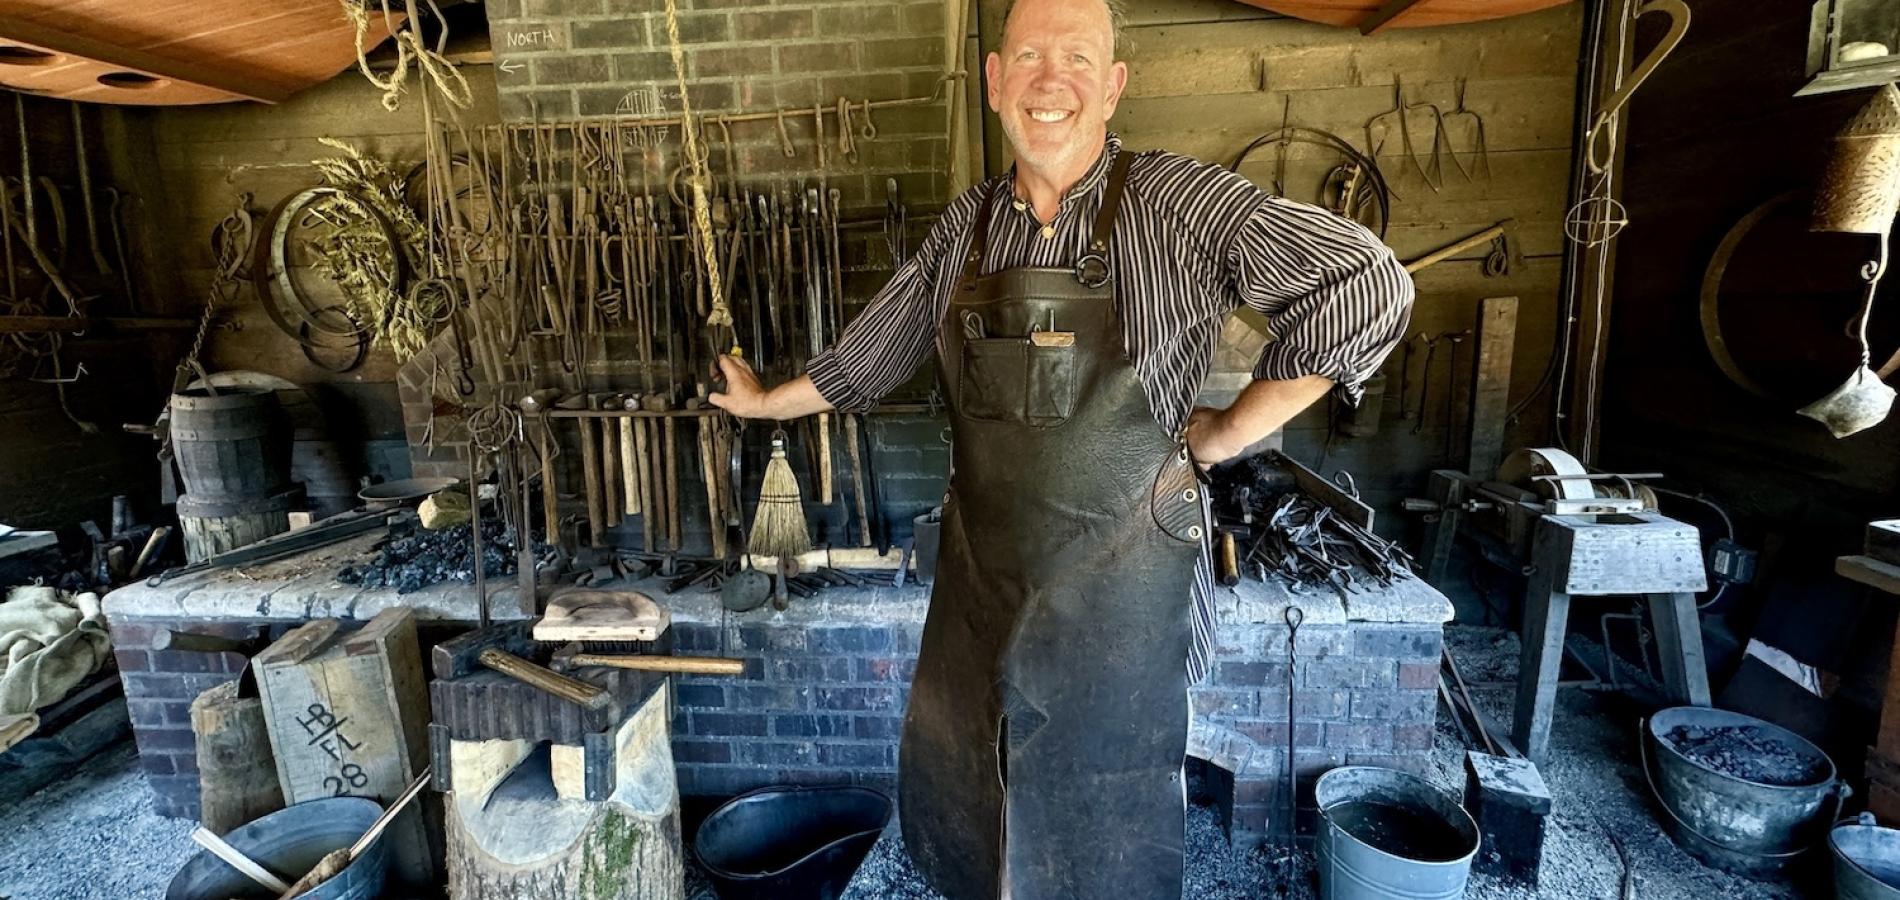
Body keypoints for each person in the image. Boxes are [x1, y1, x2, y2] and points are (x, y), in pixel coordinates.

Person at [709, 0, 1412, 895]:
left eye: (1078, 59)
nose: (1052, 80)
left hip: (1130, 586)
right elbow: (870, 356)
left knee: (1110, 808)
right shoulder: (963, 231)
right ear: (996, 80)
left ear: (1113, 87)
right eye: (1030, 56)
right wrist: (771, 401)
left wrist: (1232, 432)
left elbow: (1366, 286)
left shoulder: (1174, 204)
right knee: (984, 789)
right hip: (990, 578)